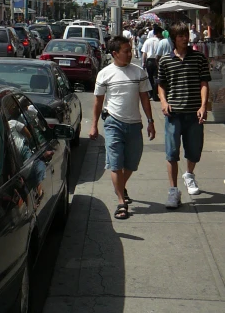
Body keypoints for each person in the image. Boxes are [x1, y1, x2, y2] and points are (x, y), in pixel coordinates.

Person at [90, 35, 155, 220]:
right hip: (113, 123)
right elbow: (98, 101)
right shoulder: (104, 74)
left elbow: (144, 97)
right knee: (115, 163)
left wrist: (150, 121)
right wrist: (94, 125)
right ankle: (121, 202)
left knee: (132, 163)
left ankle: (121, 186)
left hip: (135, 124)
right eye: (126, 51)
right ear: (114, 53)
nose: (130, 54)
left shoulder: (139, 72)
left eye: (131, 51)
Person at [158, 22, 211, 208]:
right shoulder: (165, 60)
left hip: (194, 113)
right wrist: (164, 102)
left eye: (186, 35)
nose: (184, 38)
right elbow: (161, 84)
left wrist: (204, 105)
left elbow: (204, 83)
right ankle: (173, 191)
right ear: (173, 38)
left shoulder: (198, 58)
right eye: (180, 36)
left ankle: (189, 174)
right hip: (174, 114)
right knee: (171, 153)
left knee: (194, 151)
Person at [141, 25, 163, 101]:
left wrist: (143, 63)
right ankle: (154, 94)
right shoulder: (160, 42)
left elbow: (144, 53)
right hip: (157, 61)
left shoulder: (147, 41)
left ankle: (150, 93)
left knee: (149, 78)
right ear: (158, 33)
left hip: (149, 61)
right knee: (156, 78)